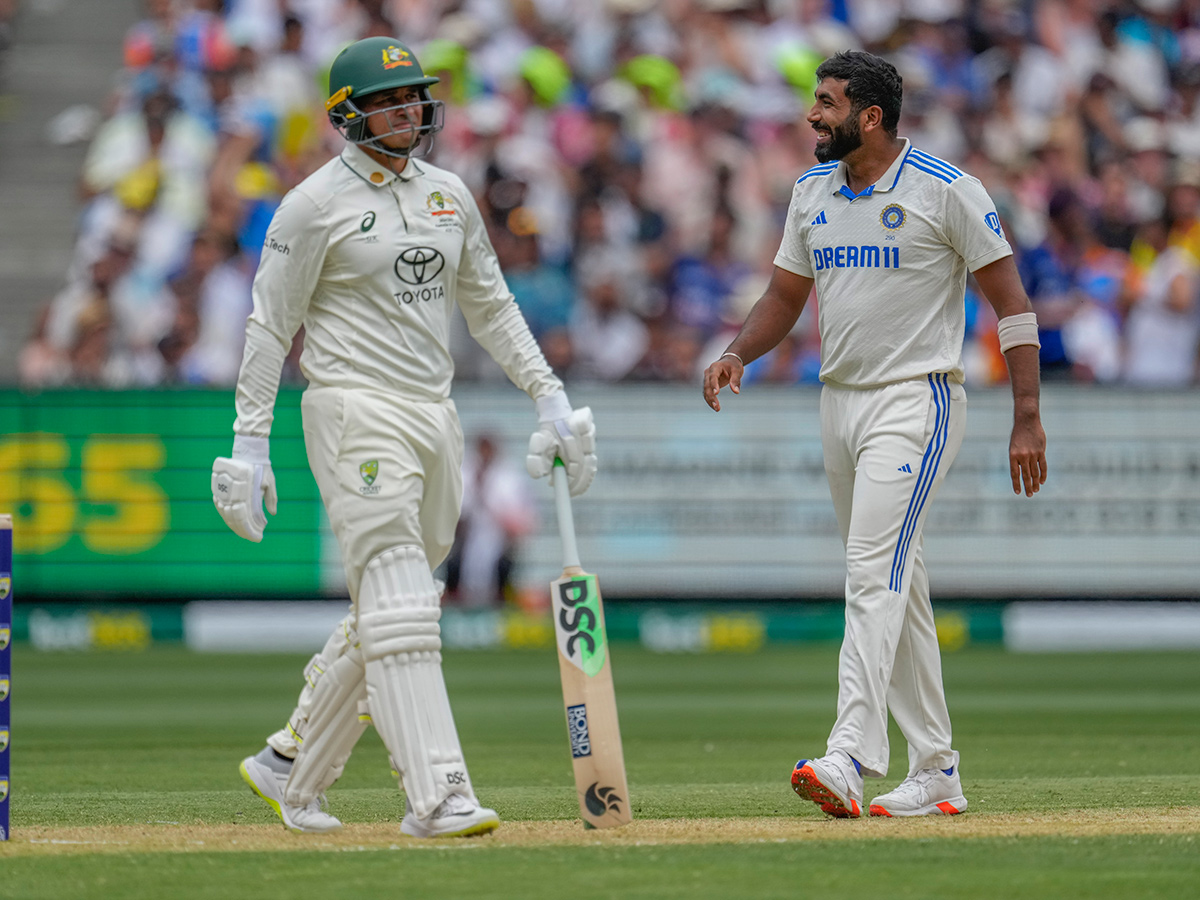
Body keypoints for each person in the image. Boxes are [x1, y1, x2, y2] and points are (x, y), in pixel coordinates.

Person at [210, 36, 597, 839]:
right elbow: (267, 327)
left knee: (398, 603)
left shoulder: (450, 193)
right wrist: (249, 443)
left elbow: (490, 307)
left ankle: (292, 766)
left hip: (434, 413)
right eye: (389, 101)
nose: (408, 111)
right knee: (402, 608)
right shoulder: (311, 204)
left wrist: (549, 397)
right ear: (346, 116)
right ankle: (438, 795)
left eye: (414, 96)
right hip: (353, 407)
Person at [703, 51, 1046, 819]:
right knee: (900, 584)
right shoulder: (811, 191)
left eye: (824, 103)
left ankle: (851, 754)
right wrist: (734, 353)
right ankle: (937, 769)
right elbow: (785, 296)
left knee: (869, 573)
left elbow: (1014, 307)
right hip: (840, 404)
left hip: (917, 400)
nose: (810, 115)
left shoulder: (947, 189)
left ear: (869, 117)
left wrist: (1026, 416)